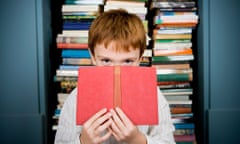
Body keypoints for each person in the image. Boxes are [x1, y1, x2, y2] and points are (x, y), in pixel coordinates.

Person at [54, 9, 175, 144]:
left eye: (128, 61)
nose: (116, 71)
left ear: (140, 58)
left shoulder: (154, 96)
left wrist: (139, 140)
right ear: (93, 56)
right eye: (106, 61)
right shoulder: (76, 98)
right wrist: (83, 142)